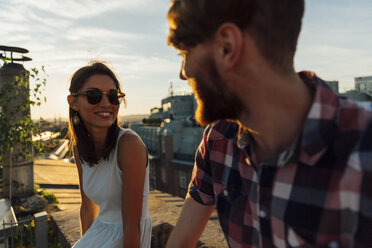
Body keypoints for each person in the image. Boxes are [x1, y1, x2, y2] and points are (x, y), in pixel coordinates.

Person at [165, 0, 372, 247]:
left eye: (185, 52)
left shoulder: (364, 154)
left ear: (227, 47)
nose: (183, 72)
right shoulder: (217, 141)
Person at [67, 61, 152, 248]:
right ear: (73, 102)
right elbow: (88, 208)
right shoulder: (79, 148)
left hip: (125, 238)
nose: (106, 103)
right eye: (94, 95)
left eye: (113, 96)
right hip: (99, 234)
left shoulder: (129, 144)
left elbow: (132, 225)